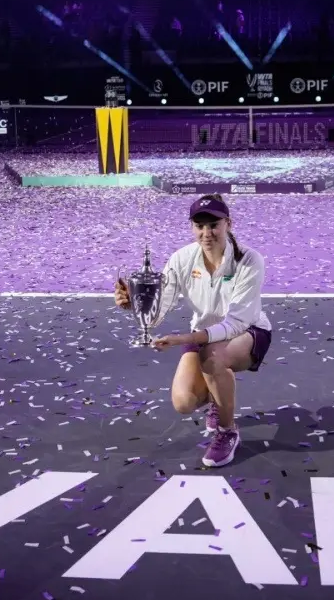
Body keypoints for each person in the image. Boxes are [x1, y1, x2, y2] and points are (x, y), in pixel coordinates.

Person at [114, 194, 272, 468]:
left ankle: (227, 431)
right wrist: (137, 305)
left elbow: (236, 322)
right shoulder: (181, 259)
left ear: (228, 224)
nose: (206, 232)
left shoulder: (248, 260)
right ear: (192, 227)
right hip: (204, 336)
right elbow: (160, 308)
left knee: (212, 357)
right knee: (184, 402)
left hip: (248, 332)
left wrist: (184, 339)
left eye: (213, 224)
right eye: (199, 225)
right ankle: (216, 393)